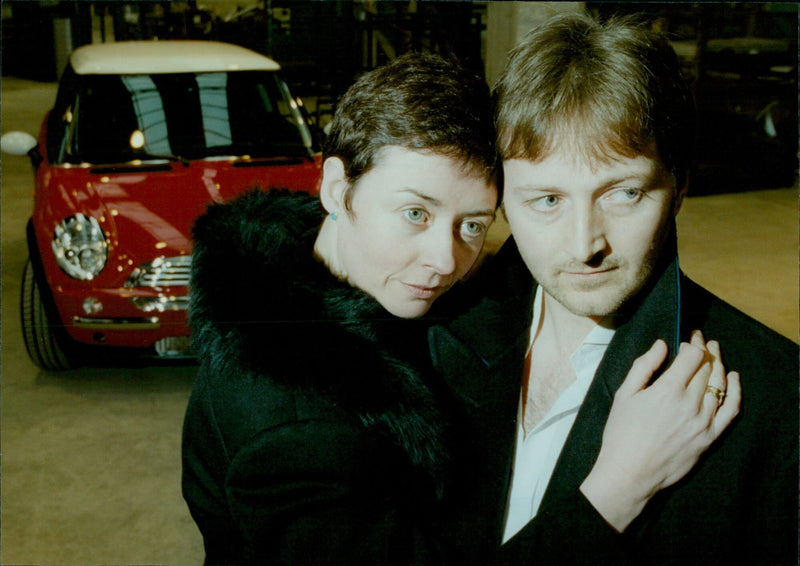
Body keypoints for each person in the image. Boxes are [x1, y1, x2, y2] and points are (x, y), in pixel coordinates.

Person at [182, 51, 737, 565]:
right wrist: (618, 486)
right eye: (416, 215)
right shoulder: (288, 429)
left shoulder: (324, 265)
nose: (445, 260)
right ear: (334, 187)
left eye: (472, 224)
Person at [429, 13, 798, 566]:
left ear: (678, 187)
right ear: (501, 198)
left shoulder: (780, 404)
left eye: (623, 193)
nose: (584, 245)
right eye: (547, 200)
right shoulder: (425, 334)